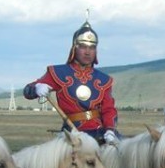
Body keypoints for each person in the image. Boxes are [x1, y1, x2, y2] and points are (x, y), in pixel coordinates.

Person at [23, 17, 119, 145]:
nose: (87, 52)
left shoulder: (104, 80)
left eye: (92, 47)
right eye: (83, 47)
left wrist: (110, 131)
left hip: (100, 132)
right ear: (74, 48)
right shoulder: (59, 73)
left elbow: (108, 109)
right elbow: (27, 91)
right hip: (71, 133)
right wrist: (36, 88)